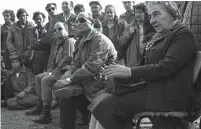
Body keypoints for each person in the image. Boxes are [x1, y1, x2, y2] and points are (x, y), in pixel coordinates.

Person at [91, 1, 197, 129]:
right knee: (100, 101)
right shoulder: (163, 34)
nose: (152, 20)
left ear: (172, 13)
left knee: (107, 105)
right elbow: (146, 65)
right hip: (154, 89)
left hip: (167, 96)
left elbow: (165, 68)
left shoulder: (182, 34)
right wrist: (116, 73)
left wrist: (129, 72)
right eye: (151, 16)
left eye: (156, 14)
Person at [53, 12, 117, 129]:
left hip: (101, 88)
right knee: (65, 95)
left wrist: (69, 80)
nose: (78, 23)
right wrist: (68, 73)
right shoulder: (82, 40)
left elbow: (91, 67)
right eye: (76, 21)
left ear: (91, 22)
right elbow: (76, 62)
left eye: (82, 20)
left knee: (67, 89)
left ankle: (86, 117)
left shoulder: (99, 40)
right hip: (87, 85)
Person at [25, 22, 75, 124]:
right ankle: (40, 106)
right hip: (58, 71)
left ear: (66, 30)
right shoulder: (58, 42)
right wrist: (50, 71)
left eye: (60, 29)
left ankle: (46, 114)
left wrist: (51, 73)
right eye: (55, 30)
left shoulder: (69, 41)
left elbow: (67, 60)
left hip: (66, 71)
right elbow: (53, 60)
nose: (57, 31)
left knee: (46, 80)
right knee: (39, 77)